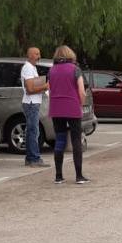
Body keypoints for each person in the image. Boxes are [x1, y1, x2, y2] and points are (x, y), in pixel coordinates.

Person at [47, 46, 89, 184]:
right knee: (76, 140)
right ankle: (79, 176)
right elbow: (82, 91)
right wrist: (80, 105)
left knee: (60, 140)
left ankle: (58, 176)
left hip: (56, 108)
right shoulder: (75, 69)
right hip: (72, 107)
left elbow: (49, 88)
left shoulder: (51, 70)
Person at [20, 47, 48, 168]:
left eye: (39, 53)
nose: (39, 56)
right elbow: (30, 89)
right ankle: (34, 158)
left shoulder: (33, 68)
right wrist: (45, 86)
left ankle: (30, 157)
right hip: (31, 103)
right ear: (30, 55)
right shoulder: (27, 68)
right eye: (36, 54)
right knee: (33, 131)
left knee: (32, 131)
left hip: (34, 102)